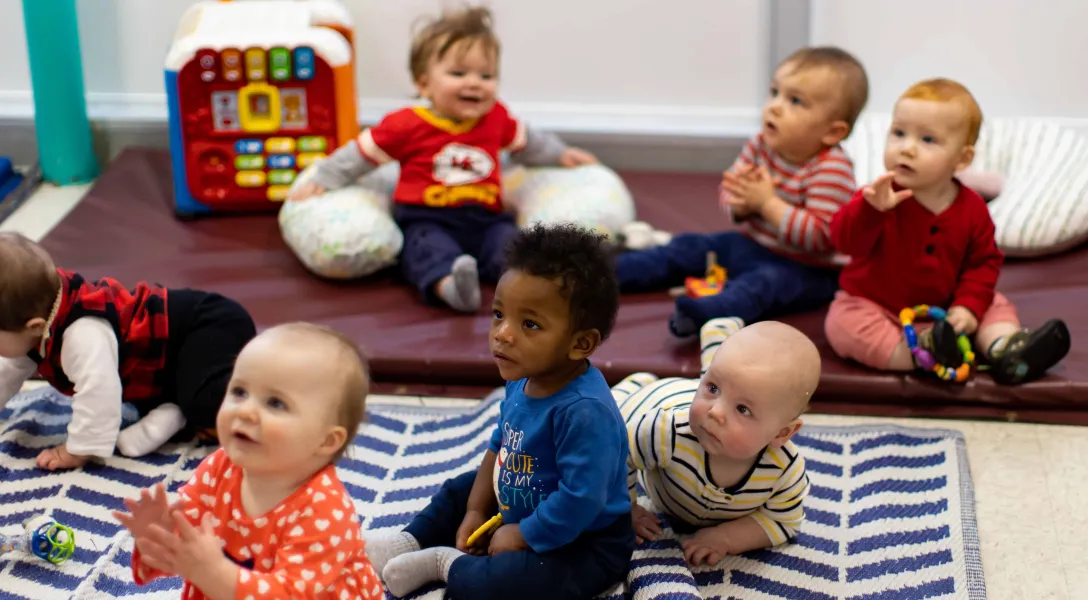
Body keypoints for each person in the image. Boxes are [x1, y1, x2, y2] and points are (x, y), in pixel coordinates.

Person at [364, 223, 632, 600]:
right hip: (520, 500)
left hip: (583, 540)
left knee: (513, 583)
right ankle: (411, 540)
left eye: (529, 324)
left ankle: (446, 564)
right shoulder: (522, 378)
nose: (503, 334)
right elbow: (499, 446)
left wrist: (523, 534)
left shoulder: (584, 412)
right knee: (460, 489)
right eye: (498, 314)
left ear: (580, 343)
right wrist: (476, 510)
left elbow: (582, 499)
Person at [289, 5, 598, 313]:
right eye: (458, 73)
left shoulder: (495, 118)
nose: (475, 83)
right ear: (424, 84)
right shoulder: (406, 124)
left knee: (512, 247)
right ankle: (450, 286)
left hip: (486, 218)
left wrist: (560, 153)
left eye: (486, 75)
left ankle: (522, 289)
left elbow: (529, 142)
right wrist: (323, 178)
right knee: (424, 250)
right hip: (427, 216)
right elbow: (360, 154)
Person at [0, 231, 255, 470]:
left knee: (207, 401)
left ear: (34, 325)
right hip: (162, 364)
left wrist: (76, 450)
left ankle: (187, 408)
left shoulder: (82, 334)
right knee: (164, 392)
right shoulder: (34, 321)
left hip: (208, 327)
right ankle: (174, 408)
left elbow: (99, 393)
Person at [825, 77, 1070, 385]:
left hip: (949, 308)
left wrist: (967, 308)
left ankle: (1007, 349)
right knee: (843, 323)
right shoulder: (877, 197)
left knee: (994, 305)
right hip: (878, 307)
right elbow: (844, 242)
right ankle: (923, 352)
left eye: (928, 140)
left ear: (962, 159)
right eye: (899, 133)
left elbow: (983, 264)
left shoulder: (972, 209)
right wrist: (870, 211)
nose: (907, 148)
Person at [114, 322, 381, 600]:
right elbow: (190, 547)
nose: (246, 411)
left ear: (326, 441)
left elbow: (289, 594)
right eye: (240, 392)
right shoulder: (220, 467)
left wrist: (214, 573)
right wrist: (160, 536)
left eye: (275, 403)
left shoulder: (326, 511)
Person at [614, 46, 867, 337]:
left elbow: (822, 236)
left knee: (763, 285)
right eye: (775, 92)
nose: (775, 106)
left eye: (796, 101)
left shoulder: (831, 168)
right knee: (692, 247)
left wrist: (767, 203)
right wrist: (741, 204)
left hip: (808, 268)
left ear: (832, 132)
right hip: (755, 244)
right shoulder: (761, 144)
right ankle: (611, 271)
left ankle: (708, 314)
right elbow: (731, 190)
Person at [615, 317, 815, 566]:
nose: (715, 412)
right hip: (653, 401)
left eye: (742, 409)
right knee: (605, 421)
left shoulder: (785, 471)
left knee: (728, 378)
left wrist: (725, 537)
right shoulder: (666, 431)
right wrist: (626, 509)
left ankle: (717, 344)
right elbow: (617, 454)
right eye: (712, 388)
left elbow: (783, 522)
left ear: (782, 433)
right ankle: (637, 384)